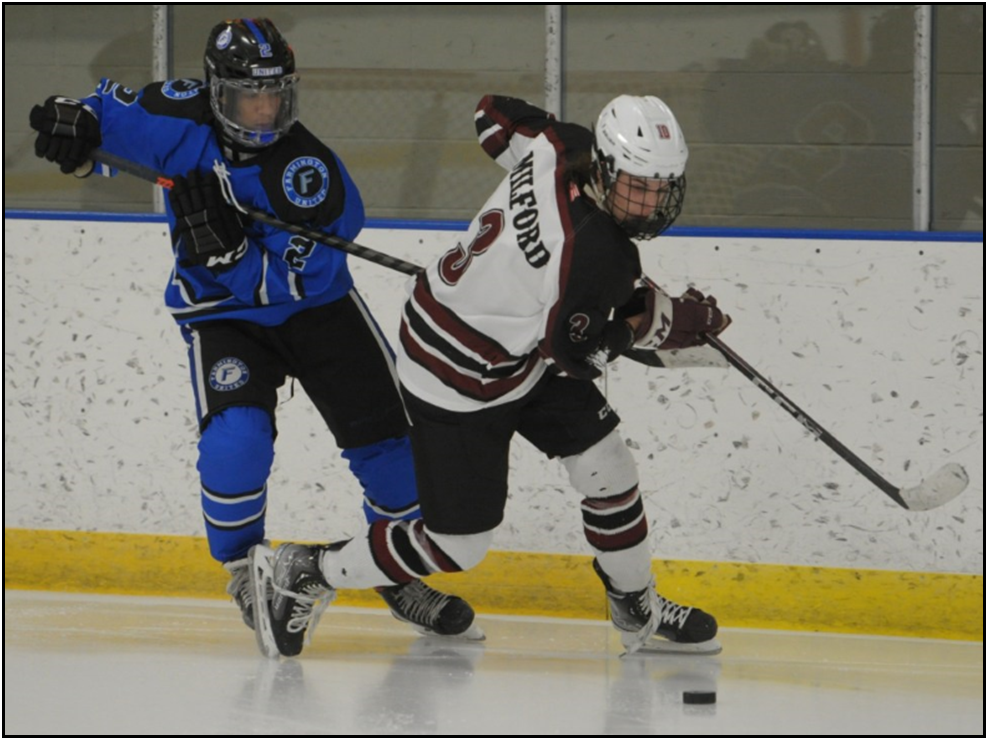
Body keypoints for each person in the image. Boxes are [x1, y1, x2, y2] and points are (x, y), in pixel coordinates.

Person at [28, 17, 481, 650]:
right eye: (250, 97)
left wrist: (230, 256)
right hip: (222, 317)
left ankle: (392, 569)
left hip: (319, 309)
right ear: (217, 93)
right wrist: (74, 123)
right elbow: (104, 116)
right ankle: (247, 573)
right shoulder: (175, 113)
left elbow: (305, 275)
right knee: (233, 443)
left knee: (394, 457)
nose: (266, 112)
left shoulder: (312, 173)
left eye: (276, 96)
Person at [249, 93, 730, 659]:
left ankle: (636, 608)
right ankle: (306, 570)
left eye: (659, 187)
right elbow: (578, 357)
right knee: (459, 545)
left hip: (508, 339)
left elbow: (491, 116)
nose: (649, 203)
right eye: (636, 185)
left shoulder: (558, 143)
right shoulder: (600, 254)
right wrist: (648, 325)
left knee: (608, 467)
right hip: (456, 374)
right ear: (602, 165)